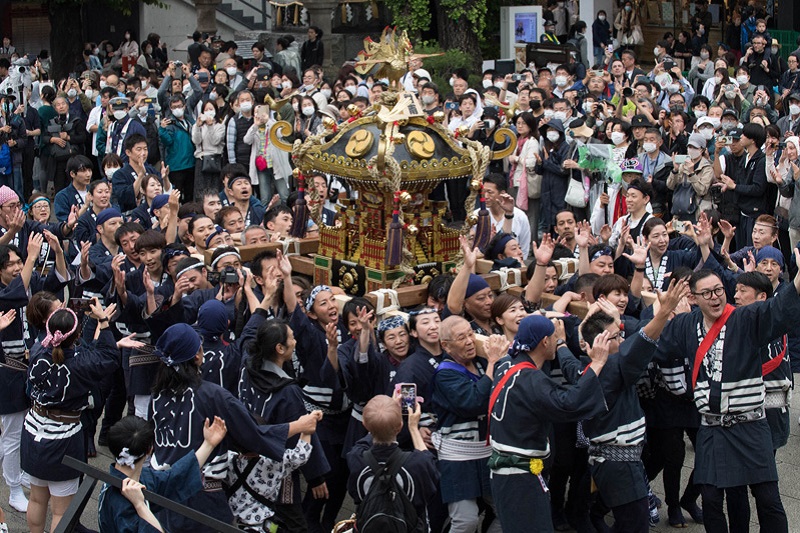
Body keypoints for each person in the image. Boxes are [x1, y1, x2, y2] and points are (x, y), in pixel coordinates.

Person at [488, 314, 609, 532]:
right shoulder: (529, 378)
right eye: (555, 338)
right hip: (519, 476)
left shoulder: (506, 362)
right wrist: (598, 363)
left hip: (508, 472)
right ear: (545, 341)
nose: (557, 341)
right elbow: (569, 403)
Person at [22, 302, 125, 533]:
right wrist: (104, 323)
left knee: (37, 499)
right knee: (61, 511)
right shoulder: (81, 363)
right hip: (62, 437)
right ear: (77, 335)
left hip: (33, 430)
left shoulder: (38, 349)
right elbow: (108, 357)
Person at [432, 317, 508, 533]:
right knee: (466, 521)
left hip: (487, 451)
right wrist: (494, 362)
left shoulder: (482, 362)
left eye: (470, 334)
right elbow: (472, 402)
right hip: (458, 456)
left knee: (506, 513)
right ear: (446, 345)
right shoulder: (445, 373)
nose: (469, 341)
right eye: (461, 337)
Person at [97, 415, 228, 533]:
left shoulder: (137, 477)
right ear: (149, 449)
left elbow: (173, 478)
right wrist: (140, 505)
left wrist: (208, 444)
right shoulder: (122, 502)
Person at [346, 395, 439, 531]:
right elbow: (428, 462)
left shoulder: (356, 458)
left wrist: (381, 417)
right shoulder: (417, 464)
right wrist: (413, 427)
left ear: (364, 424)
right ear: (400, 426)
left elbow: (362, 444)